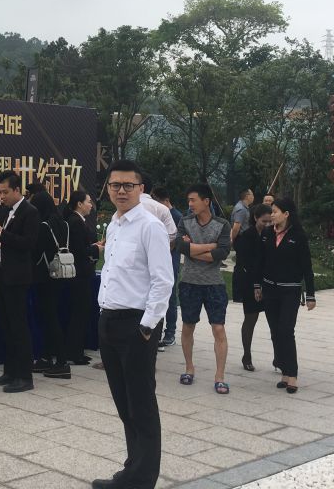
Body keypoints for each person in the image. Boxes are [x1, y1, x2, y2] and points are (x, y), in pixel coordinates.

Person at [92, 160, 173, 489]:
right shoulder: (114, 225)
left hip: (137, 325)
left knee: (141, 404)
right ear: (108, 189)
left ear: (141, 189)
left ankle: (142, 479)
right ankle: (132, 469)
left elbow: (163, 281)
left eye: (128, 185)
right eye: (115, 185)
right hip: (109, 320)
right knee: (124, 403)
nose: (121, 191)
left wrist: (147, 326)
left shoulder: (150, 226)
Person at [0, 171, 39, 393]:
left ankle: (24, 376)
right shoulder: (8, 211)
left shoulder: (30, 211)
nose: (2, 196)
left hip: (16, 278)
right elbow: (5, 242)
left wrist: (1, 233)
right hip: (1, 274)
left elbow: (29, 244)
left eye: (5, 192)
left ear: (17, 190)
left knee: (18, 327)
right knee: (6, 326)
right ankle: (10, 371)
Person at [254, 197, 315, 394]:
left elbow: (307, 267)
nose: (271, 215)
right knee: (275, 332)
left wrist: (311, 294)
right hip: (270, 290)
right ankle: (284, 371)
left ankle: (292, 374)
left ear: (286, 214)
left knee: (286, 330)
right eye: (271, 211)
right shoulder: (267, 233)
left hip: (290, 290)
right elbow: (260, 261)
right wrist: (257, 285)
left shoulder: (298, 235)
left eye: (275, 211)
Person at [174, 184, 232, 394]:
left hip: (214, 284)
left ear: (206, 201)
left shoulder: (222, 224)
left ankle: (220, 376)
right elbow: (181, 247)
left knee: (218, 328)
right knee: (188, 326)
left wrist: (194, 249)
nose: (190, 204)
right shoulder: (185, 221)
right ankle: (189, 368)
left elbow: (222, 253)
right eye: (189, 200)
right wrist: (210, 246)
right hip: (189, 282)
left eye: (193, 200)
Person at [28, 191, 71, 379]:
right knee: (52, 317)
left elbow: (36, 252)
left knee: (49, 318)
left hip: (45, 276)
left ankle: (61, 362)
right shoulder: (64, 224)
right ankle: (46, 357)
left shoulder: (43, 226)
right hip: (61, 274)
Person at [233, 203, 271, 372]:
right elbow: (246, 262)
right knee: (251, 318)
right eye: (264, 221)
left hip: (268, 281)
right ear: (255, 218)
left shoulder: (272, 234)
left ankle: (279, 357)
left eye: (270, 221)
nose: (268, 224)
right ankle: (246, 354)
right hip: (249, 281)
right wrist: (256, 285)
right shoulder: (247, 236)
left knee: (274, 320)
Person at [63, 191, 98, 365]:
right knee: (79, 313)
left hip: (81, 273)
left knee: (81, 313)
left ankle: (77, 350)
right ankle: (74, 353)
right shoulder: (75, 222)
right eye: (88, 201)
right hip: (79, 274)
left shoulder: (77, 221)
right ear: (79, 204)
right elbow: (79, 250)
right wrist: (96, 249)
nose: (91, 205)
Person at [152, 189, 182, 349]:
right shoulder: (160, 214)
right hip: (160, 260)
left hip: (171, 261)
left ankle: (170, 332)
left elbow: (175, 241)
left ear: (165, 201)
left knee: (170, 298)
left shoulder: (176, 216)